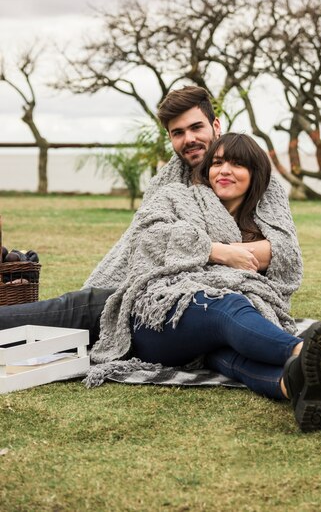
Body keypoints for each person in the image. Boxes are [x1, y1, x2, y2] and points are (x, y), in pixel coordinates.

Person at [85, 133, 321, 433]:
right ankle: (312, 353)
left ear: (256, 174)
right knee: (226, 305)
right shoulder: (177, 197)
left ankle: (300, 385)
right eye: (217, 162)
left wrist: (230, 256)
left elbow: (288, 262)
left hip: (210, 339)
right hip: (158, 317)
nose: (224, 170)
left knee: (230, 356)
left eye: (237, 163)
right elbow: (149, 239)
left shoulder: (265, 222)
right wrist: (216, 252)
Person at [0, 86, 301, 342]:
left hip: (204, 301)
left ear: (216, 126)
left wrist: (210, 253)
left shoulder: (256, 178)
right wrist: (214, 251)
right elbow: (146, 242)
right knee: (79, 308)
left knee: (81, 310)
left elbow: (283, 252)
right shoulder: (167, 184)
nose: (189, 139)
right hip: (152, 287)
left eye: (196, 127)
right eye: (178, 133)